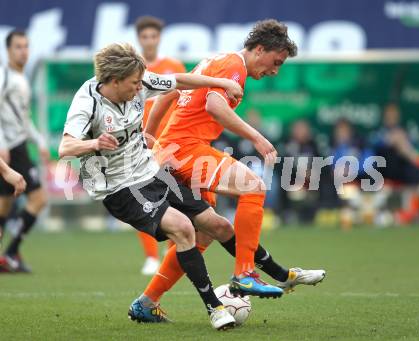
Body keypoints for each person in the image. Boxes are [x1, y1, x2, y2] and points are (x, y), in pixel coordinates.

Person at [58, 42, 245, 330]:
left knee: (215, 224)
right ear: (115, 80)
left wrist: (220, 81)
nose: (139, 88)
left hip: (150, 171)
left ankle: (258, 273)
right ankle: (216, 308)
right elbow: (65, 146)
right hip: (120, 188)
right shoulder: (88, 101)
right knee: (183, 229)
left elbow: (179, 81)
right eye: (134, 83)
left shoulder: (139, 79)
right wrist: (94, 143)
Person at [144, 19, 325, 301]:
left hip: (174, 150)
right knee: (253, 185)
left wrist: (150, 137)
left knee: (205, 234)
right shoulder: (234, 66)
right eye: (275, 62)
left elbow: (169, 94)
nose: (275, 71)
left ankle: (147, 302)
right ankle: (245, 274)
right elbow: (214, 106)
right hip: (186, 149)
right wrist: (257, 137)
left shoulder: (217, 61)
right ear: (259, 49)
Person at [135, 16, 186, 275]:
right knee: (140, 197)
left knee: (174, 197)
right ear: (139, 39)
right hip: (140, 143)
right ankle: (151, 256)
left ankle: (172, 250)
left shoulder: (173, 66)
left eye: (153, 36)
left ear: (159, 38)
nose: (149, 41)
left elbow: (184, 99)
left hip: (171, 142)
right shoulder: (133, 69)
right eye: (145, 37)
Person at [0, 30, 49, 273]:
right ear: (8, 50)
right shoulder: (4, 76)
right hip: (9, 148)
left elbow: (24, 118)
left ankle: (8, 255)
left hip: (18, 145)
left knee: (5, 205)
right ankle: (9, 254)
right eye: (18, 46)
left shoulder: (21, 79)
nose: (23, 51)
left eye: (26, 46)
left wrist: (39, 141)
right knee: (38, 199)